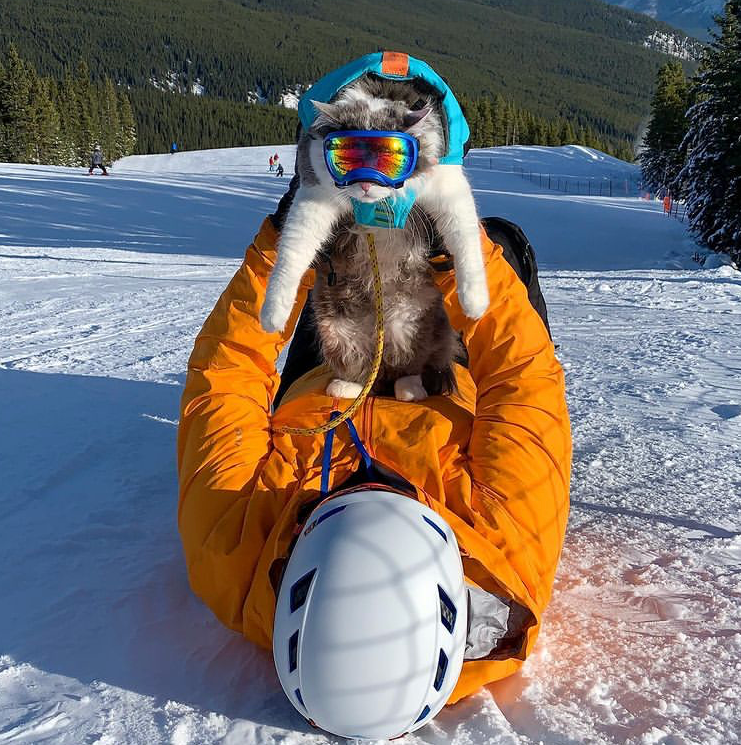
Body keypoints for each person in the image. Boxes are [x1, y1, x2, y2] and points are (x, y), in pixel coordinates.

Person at [177, 55, 571, 739]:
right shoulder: (507, 536)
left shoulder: (232, 547)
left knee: (331, 249)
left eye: (336, 505)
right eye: (392, 498)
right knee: (503, 244)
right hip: (445, 372)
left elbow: (228, 375)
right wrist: (458, 250)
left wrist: (281, 245)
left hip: (322, 377)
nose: (370, 484)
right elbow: (521, 375)